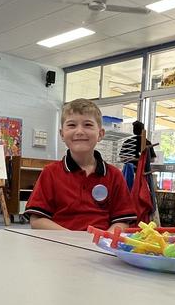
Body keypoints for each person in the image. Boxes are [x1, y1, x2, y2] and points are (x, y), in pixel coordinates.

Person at [24, 98, 137, 230]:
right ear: (62, 134)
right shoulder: (50, 173)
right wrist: (72, 239)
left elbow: (122, 221)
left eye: (88, 125)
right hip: (60, 244)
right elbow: (37, 220)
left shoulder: (114, 175)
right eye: (72, 125)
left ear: (100, 134)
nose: (79, 131)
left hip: (99, 247)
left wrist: (105, 239)